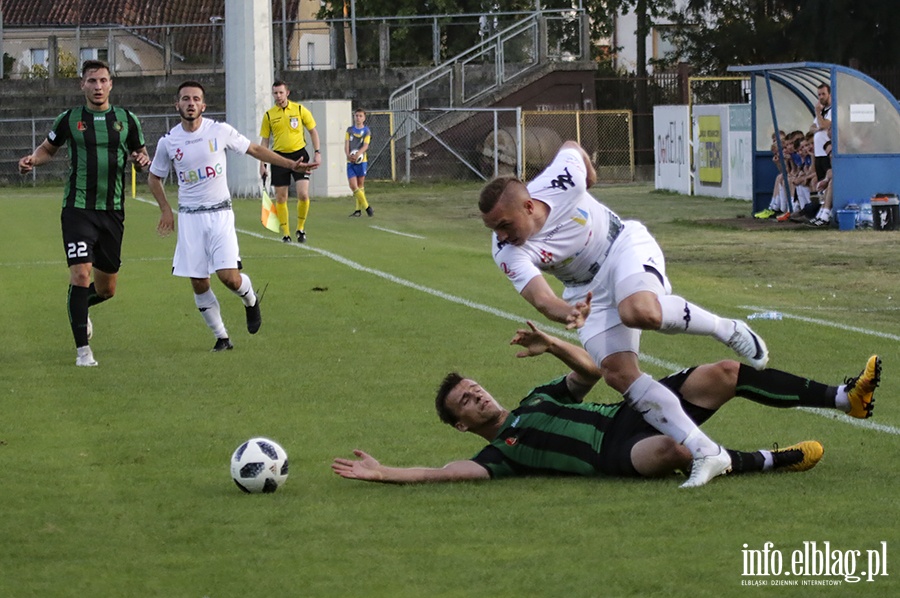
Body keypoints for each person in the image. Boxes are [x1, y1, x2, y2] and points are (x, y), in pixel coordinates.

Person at [478, 140, 770, 488]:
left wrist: (590, 173)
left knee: (637, 311)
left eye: (505, 225)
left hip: (623, 246)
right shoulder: (506, 251)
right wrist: (570, 312)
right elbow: (542, 300)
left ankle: (727, 328)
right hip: (586, 292)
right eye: (493, 229)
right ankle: (706, 451)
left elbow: (572, 146)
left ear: (529, 206)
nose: (501, 236)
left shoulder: (562, 182)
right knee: (617, 374)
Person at [332, 322, 881, 484]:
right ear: (461, 425)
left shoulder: (534, 398)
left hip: (627, 411)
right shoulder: (500, 455)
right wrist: (383, 473)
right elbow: (439, 473)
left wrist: (553, 345)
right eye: (465, 403)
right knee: (672, 449)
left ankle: (843, 397)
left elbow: (593, 372)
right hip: (617, 454)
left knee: (726, 372)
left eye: (474, 388)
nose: (477, 396)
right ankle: (768, 458)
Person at [147, 81, 313, 351]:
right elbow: (155, 178)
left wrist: (291, 164)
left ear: (204, 105)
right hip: (190, 218)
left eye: (196, 99)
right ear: (176, 105)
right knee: (199, 281)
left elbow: (255, 150)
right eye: (185, 99)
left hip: (220, 213)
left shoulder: (220, 131)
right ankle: (222, 337)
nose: (191, 103)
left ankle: (250, 299)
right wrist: (166, 209)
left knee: (229, 277)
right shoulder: (169, 141)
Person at [17, 59, 151, 367]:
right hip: (78, 209)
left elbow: (140, 152)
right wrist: (32, 161)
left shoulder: (127, 119)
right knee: (80, 274)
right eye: (92, 81)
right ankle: (83, 352)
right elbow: (47, 150)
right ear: (82, 85)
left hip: (112, 212)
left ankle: (83, 307)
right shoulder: (69, 119)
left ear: (111, 84)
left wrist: (141, 160)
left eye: (103, 80)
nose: (98, 86)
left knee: (107, 289)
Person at [258, 80, 321, 243]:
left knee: (303, 194)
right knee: (281, 197)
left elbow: (313, 131)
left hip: (300, 155)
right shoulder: (269, 115)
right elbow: (264, 141)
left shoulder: (299, 110)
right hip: (278, 157)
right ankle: (286, 233)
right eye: (275, 93)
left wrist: (317, 152)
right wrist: (262, 163)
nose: (278, 96)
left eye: (281, 92)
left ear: (287, 92)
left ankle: (300, 228)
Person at [345, 108, 374, 218]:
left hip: (362, 161)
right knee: (353, 186)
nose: (358, 118)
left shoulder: (366, 131)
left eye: (360, 116)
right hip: (350, 161)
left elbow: (366, 145)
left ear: (364, 118)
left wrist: (358, 154)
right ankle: (367, 207)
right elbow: (346, 144)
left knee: (360, 185)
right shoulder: (349, 130)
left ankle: (358, 210)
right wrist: (348, 155)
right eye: (356, 115)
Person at [809, 82, 833, 183]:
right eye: (819, 95)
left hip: (826, 152)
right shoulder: (822, 111)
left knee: (826, 181)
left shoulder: (832, 110)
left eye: (823, 94)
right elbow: (812, 128)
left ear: (829, 94)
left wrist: (818, 112)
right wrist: (818, 128)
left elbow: (823, 125)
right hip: (818, 153)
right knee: (820, 182)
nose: (821, 97)